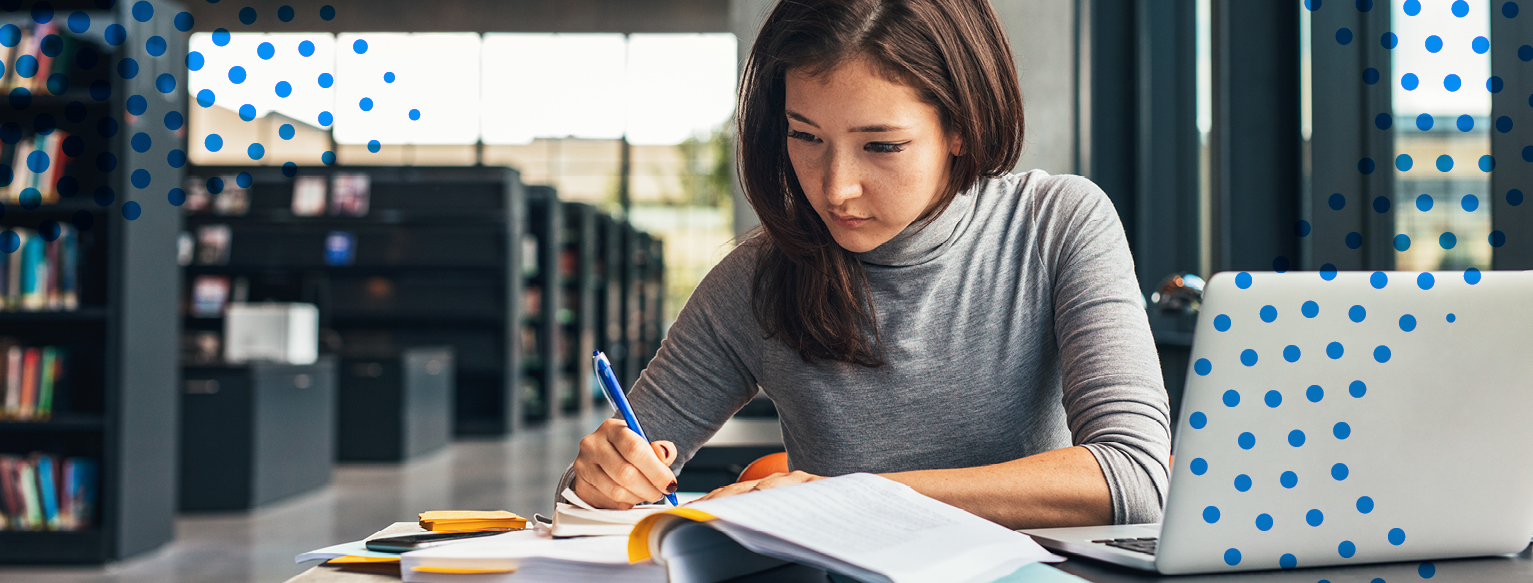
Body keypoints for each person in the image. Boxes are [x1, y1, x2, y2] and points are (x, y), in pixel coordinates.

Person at [558, 0, 1170, 529]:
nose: (836, 188)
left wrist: (850, 498)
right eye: (805, 136)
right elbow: (579, 504)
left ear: (961, 125)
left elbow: (1136, 477)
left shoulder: (1057, 224)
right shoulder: (756, 279)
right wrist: (599, 483)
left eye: (881, 146)